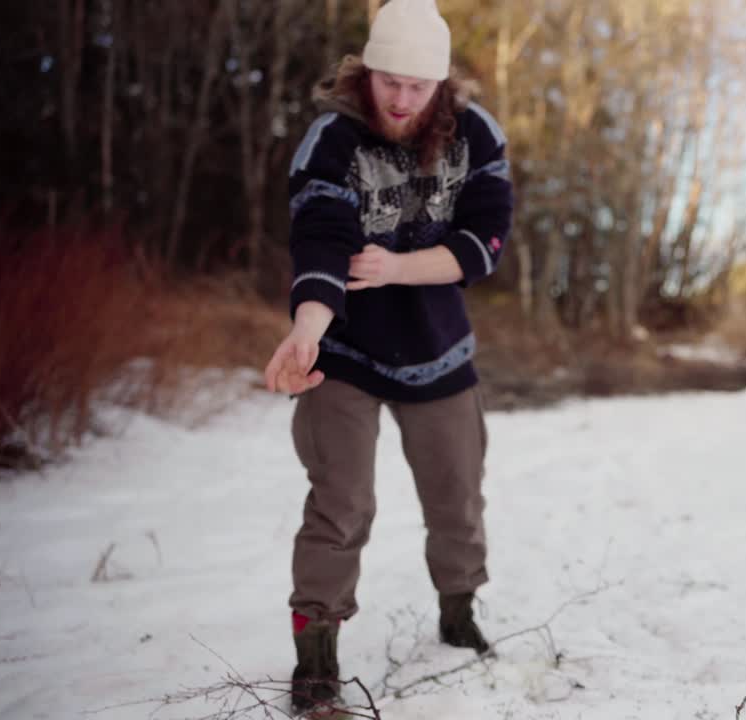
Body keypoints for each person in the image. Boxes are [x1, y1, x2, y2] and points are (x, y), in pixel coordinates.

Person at [261, 0, 512, 711]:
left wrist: (397, 268)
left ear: (440, 83)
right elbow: (320, 237)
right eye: (389, 80)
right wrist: (306, 330)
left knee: (457, 498)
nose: (401, 99)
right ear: (366, 70)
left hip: (438, 350)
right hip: (341, 349)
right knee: (341, 505)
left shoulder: (477, 136)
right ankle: (315, 657)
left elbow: (484, 245)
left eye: (418, 85)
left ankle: (459, 616)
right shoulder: (331, 140)